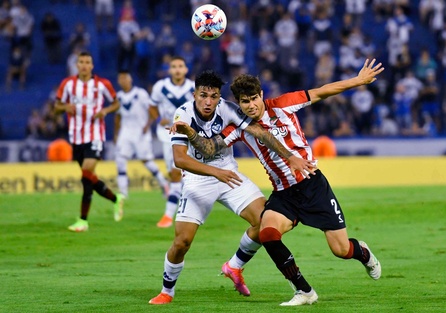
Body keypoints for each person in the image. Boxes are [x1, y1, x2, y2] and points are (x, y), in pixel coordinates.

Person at [172, 59, 384, 306]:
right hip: (284, 193)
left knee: (341, 250)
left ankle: (364, 253)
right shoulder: (240, 127)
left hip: (313, 186)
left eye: (254, 99)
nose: (250, 105)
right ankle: (304, 291)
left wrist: (357, 81)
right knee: (268, 232)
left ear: (261, 95)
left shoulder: (284, 105)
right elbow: (209, 148)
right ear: (238, 103)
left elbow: (321, 91)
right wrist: (188, 132)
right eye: (244, 101)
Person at [149, 70, 313, 305]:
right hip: (198, 180)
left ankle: (234, 266)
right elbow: (181, 160)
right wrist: (217, 172)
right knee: (182, 242)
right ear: (194, 94)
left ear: (219, 97)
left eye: (214, 96)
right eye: (203, 95)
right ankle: (167, 291)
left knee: (265, 223)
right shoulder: (182, 114)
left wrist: (289, 156)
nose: (208, 101)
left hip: (229, 174)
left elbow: (259, 132)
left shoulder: (228, 109)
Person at [55, 51, 124, 232]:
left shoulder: (102, 84)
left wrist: (105, 111)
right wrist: (65, 107)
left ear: (92, 66)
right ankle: (116, 199)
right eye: (81, 62)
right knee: (89, 178)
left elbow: (116, 103)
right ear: (76, 65)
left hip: (95, 134)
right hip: (76, 137)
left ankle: (83, 221)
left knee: (86, 173)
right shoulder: (68, 84)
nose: (85, 65)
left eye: (88, 62)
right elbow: (56, 108)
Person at [149, 56, 195, 228]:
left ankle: (169, 215)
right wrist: (158, 118)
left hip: (189, 135)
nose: (177, 69)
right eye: (174, 66)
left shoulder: (193, 88)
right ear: (169, 70)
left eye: (180, 66)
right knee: (175, 173)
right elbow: (152, 106)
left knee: (180, 174)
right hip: (167, 134)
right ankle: (178, 210)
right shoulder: (160, 87)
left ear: (185, 69)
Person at [114, 70, 168, 199]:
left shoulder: (140, 94)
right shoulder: (119, 96)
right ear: (118, 81)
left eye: (125, 78)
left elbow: (151, 109)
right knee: (120, 159)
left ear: (130, 79)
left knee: (146, 161)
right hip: (125, 132)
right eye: (121, 79)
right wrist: (116, 133)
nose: (123, 81)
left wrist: (148, 124)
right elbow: (118, 116)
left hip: (140, 132)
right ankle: (123, 193)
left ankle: (164, 183)